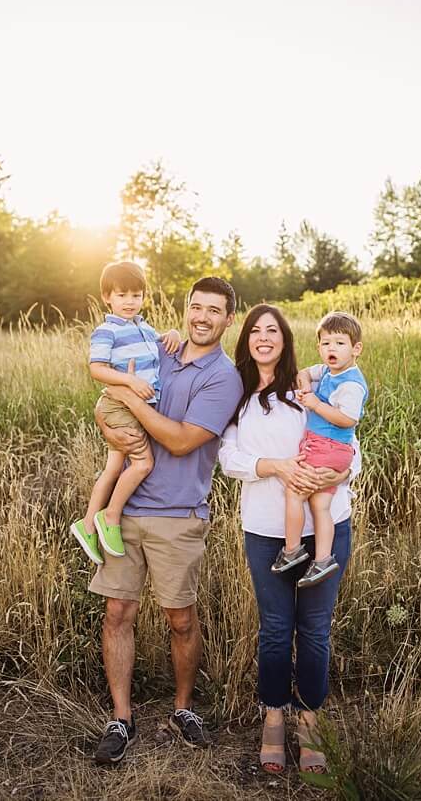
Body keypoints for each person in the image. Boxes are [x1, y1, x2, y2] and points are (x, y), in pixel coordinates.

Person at [86, 277, 245, 764]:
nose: (202, 317)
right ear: (186, 309)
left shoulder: (225, 377)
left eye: (213, 311)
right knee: (118, 614)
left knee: (180, 617)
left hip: (179, 514)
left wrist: (130, 402)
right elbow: (107, 392)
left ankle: (182, 708)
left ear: (227, 319)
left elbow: (179, 440)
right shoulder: (159, 347)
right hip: (126, 509)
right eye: (196, 307)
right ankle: (121, 716)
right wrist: (108, 415)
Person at [218, 303, 356, 774]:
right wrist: (276, 467)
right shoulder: (235, 393)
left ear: (285, 338)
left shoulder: (310, 385)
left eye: (272, 330)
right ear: (245, 339)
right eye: (254, 330)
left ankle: (310, 722)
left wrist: (320, 475)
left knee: (315, 630)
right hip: (264, 528)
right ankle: (274, 718)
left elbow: (348, 446)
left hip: (326, 525)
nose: (263, 337)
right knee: (276, 630)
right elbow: (229, 457)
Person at [70, 261, 162, 565]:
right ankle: (110, 516)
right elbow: (96, 368)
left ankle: (86, 525)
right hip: (119, 405)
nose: (130, 302)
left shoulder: (145, 328)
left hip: (133, 408)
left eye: (136, 295)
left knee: (113, 468)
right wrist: (130, 380)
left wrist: (172, 333)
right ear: (107, 296)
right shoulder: (106, 330)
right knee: (143, 463)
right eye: (122, 295)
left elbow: (162, 349)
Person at [272, 310, 367, 588]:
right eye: (326, 344)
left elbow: (348, 419)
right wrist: (303, 388)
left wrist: (313, 404)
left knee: (294, 491)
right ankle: (323, 559)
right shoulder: (327, 370)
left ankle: (292, 549)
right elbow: (303, 373)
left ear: (355, 349)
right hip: (333, 450)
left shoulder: (351, 383)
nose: (331, 349)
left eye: (339, 343)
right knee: (319, 503)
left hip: (327, 445)